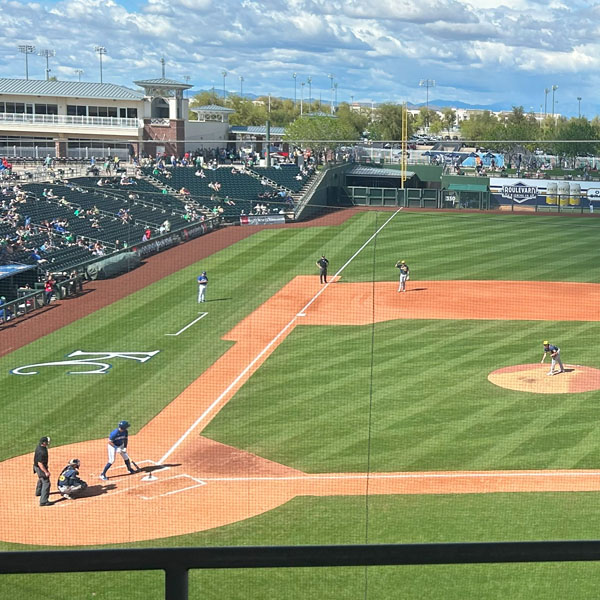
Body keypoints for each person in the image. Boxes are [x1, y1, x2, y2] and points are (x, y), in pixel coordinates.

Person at [33, 436, 53, 506]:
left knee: (41, 478)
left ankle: (38, 492)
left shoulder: (39, 447)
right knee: (46, 482)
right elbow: (40, 463)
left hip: (36, 467)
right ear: (44, 443)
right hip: (40, 467)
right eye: (47, 442)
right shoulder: (42, 451)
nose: (48, 443)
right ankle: (43, 501)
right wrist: (46, 472)